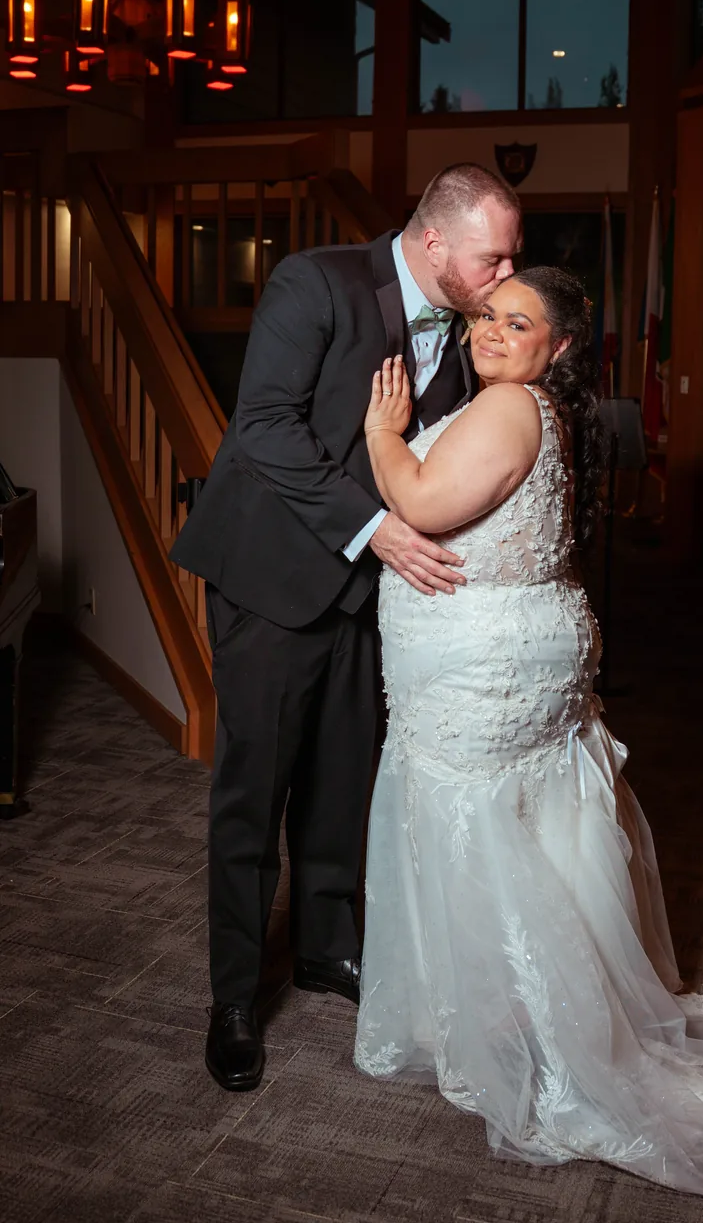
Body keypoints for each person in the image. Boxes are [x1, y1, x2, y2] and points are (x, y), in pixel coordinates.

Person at [354, 268, 703, 1204]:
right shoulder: (551, 412)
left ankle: (519, 1028)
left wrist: (382, 435)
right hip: (529, 650)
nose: (490, 331)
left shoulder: (506, 407)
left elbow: (425, 504)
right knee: (534, 825)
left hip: (483, 670)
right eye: (486, 315)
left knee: (477, 831)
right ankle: (541, 1007)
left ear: (556, 347)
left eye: (516, 323)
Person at [171, 163, 523, 1092]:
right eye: (492, 259)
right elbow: (264, 428)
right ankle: (234, 997)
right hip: (271, 579)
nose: (504, 276)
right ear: (435, 241)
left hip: (371, 596)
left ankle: (328, 948)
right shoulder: (316, 282)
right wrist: (377, 530)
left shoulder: (469, 326)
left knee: (342, 783)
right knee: (254, 795)